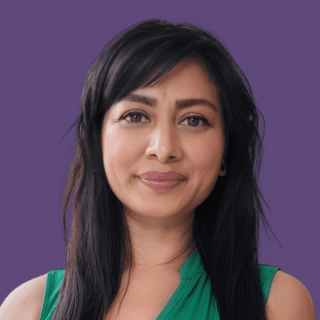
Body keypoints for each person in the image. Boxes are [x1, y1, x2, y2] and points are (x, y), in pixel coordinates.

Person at [0, 19, 315, 320]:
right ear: (96, 141)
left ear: (226, 152)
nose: (163, 149)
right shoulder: (27, 308)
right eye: (136, 116)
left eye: (194, 120)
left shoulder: (276, 303)